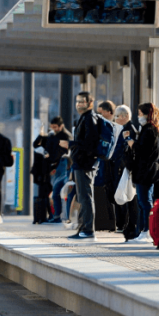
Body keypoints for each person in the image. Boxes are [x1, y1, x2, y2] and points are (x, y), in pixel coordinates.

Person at [60, 92, 101, 240]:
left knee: (86, 198)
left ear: (90, 103)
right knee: (82, 198)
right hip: (81, 163)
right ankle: (83, 228)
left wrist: (70, 144)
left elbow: (90, 144)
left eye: (82, 102)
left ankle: (88, 230)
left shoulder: (90, 119)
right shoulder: (84, 118)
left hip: (85, 164)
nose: (79, 104)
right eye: (77, 101)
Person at [126, 103, 159, 240]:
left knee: (145, 202)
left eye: (140, 114)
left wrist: (132, 144)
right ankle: (144, 230)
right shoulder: (151, 129)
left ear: (147, 115)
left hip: (145, 172)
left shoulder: (149, 130)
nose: (139, 117)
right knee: (143, 201)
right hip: (147, 171)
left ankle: (147, 231)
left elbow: (144, 151)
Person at [109, 104, 140, 240]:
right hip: (120, 166)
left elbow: (127, 149)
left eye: (117, 116)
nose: (115, 119)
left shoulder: (130, 129)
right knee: (122, 196)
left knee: (128, 197)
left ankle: (128, 224)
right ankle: (123, 224)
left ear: (125, 116)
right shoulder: (121, 128)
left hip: (125, 168)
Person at [42, 117, 72, 224]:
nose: (54, 129)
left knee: (62, 192)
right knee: (55, 193)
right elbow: (48, 149)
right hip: (56, 166)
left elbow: (61, 152)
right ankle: (57, 216)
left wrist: (53, 165)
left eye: (55, 127)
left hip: (63, 166)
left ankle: (64, 216)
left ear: (61, 126)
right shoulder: (52, 135)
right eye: (52, 127)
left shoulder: (66, 136)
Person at [96, 101, 120, 228]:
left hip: (107, 163)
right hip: (107, 162)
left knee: (107, 191)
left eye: (101, 112)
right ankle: (107, 222)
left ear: (108, 112)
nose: (98, 115)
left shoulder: (110, 126)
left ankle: (107, 222)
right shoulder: (108, 126)